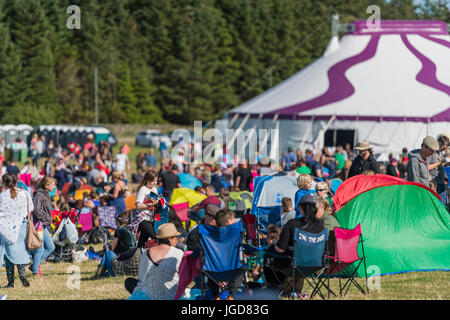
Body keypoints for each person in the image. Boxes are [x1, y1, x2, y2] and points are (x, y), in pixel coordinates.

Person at [271, 193, 325, 299]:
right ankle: (296, 290)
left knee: (272, 255)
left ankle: (276, 287)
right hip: (316, 265)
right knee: (299, 258)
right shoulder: (320, 225)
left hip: (296, 264)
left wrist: (273, 246)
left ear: (300, 208)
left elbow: (280, 249)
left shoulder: (292, 223)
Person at [125, 223, 184, 300]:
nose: (177, 239)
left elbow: (141, 279)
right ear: (170, 239)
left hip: (149, 295)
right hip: (171, 295)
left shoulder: (145, 253)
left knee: (130, 282)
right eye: (176, 237)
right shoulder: (178, 253)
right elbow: (183, 279)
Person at [0, 173, 33, 288]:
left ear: (3, 182)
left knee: (8, 255)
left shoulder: (2, 195)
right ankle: (22, 274)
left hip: (7, 228)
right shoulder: (24, 193)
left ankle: (10, 282)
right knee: (21, 252)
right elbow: (31, 208)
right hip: (22, 226)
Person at [91, 213, 138, 280]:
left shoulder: (119, 230)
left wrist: (110, 246)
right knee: (107, 274)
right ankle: (101, 275)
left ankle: (98, 275)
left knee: (107, 253)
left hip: (121, 264)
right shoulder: (131, 230)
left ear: (118, 222)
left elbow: (113, 248)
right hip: (131, 265)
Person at [30, 176, 57, 276]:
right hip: (39, 225)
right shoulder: (39, 195)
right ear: (46, 185)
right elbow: (37, 210)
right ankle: (35, 271)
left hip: (44, 225)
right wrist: (46, 219)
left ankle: (34, 266)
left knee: (51, 247)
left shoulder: (46, 194)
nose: (54, 187)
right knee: (40, 249)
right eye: (53, 185)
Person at [130, 171, 160, 248]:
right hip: (143, 219)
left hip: (151, 219)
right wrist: (149, 205)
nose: (155, 183)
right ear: (147, 180)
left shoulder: (154, 190)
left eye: (156, 180)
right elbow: (138, 205)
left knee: (141, 244)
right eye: (153, 181)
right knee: (156, 238)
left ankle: (136, 255)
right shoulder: (142, 190)